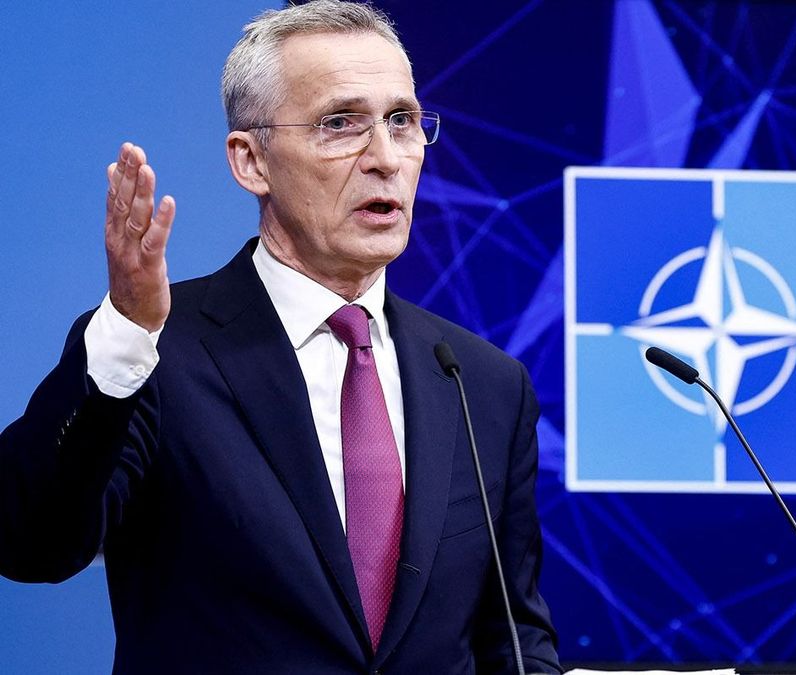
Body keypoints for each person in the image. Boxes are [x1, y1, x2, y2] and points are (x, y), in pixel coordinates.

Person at [0, 1, 561, 673]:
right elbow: (33, 542)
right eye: (340, 123)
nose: (385, 158)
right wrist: (124, 331)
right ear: (251, 160)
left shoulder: (484, 384)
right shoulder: (159, 354)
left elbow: (515, 643)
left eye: (402, 121)